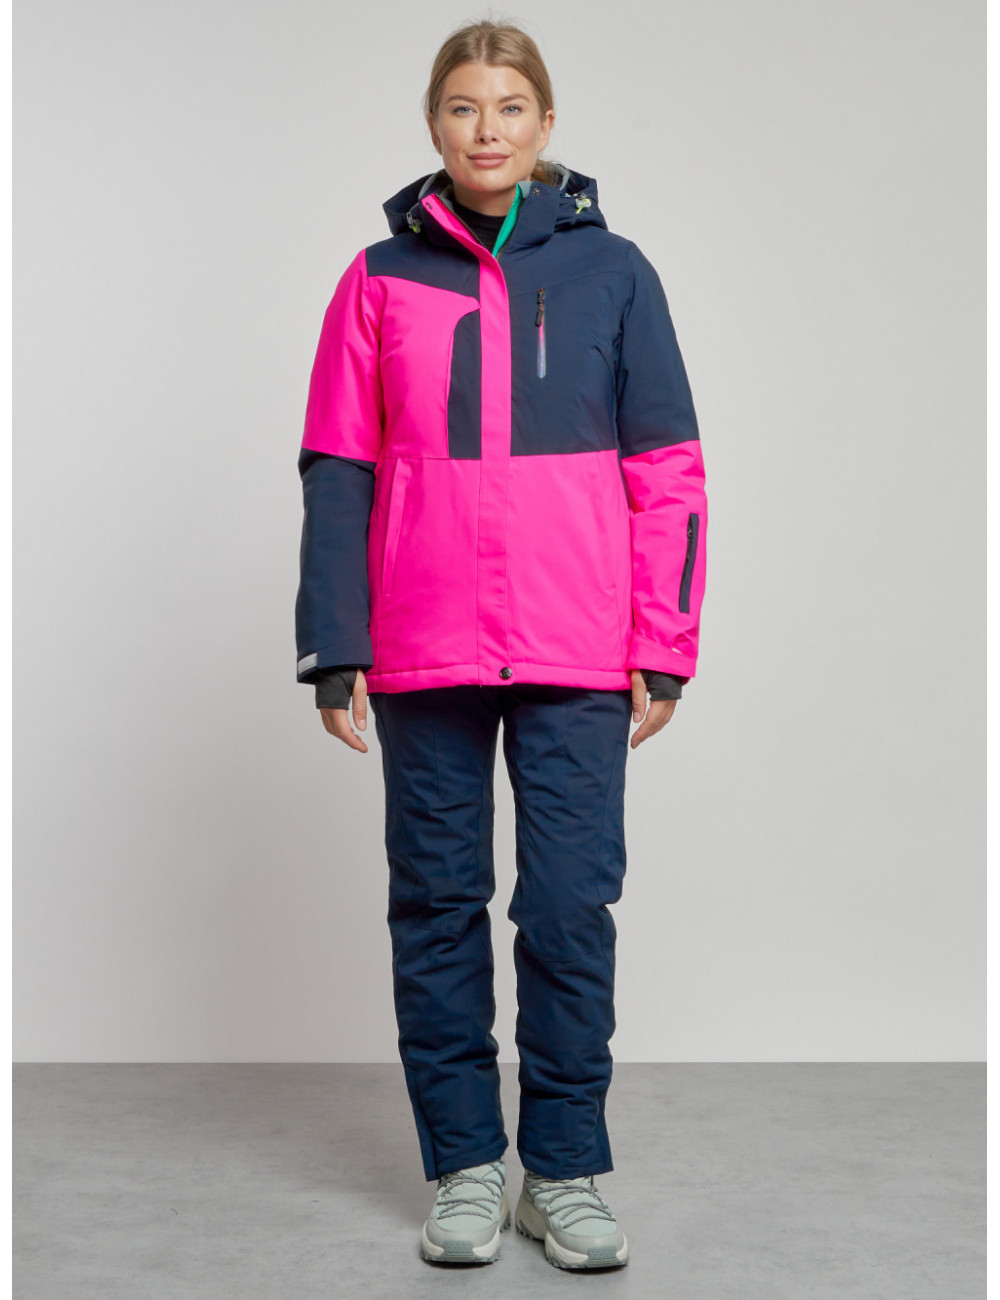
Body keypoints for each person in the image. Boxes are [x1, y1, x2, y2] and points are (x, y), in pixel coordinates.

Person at [294, 19, 707, 1273]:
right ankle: (467, 1168)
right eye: (465, 107)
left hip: (578, 645)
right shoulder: (377, 278)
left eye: (510, 107)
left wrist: (663, 640)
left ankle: (563, 1171)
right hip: (422, 641)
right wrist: (335, 641)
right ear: (435, 124)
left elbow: (668, 471)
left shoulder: (614, 273)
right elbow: (338, 465)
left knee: (570, 908)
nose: (488, 129)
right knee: (435, 906)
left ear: (544, 125)